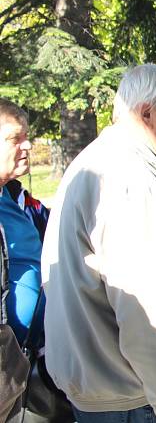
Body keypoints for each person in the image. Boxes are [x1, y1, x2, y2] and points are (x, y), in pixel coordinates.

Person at [41, 64, 156, 422]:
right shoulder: (131, 178)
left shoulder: (103, 161)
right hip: (136, 400)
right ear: (146, 113)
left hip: (109, 394)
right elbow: (155, 312)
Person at [0, 99, 36, 421]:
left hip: (17, 364)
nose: (27, 146)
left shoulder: (10, 196)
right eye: (15, 139)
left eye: (27, 137)